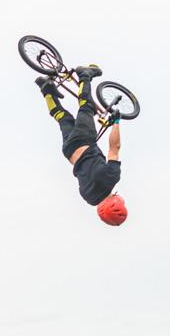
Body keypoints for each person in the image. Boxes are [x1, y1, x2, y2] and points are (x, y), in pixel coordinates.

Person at [34, 65, 127, 226]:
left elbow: (114, 148)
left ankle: (84, 75)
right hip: (69, 151)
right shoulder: (88, 198)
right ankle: (46, 89)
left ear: (116, 203)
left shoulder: (111, 178)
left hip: (84, 140)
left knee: (87, 106)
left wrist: (116, 122)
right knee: (62, 117)